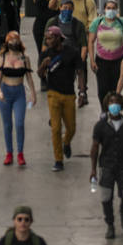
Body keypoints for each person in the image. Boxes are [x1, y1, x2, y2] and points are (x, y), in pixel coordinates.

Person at [90, 92, 123, 240]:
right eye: (111, 102)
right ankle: (110, 225)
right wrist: (93, 169)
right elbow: (94, 148)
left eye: (117, 102)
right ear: (107, 105)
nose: (114, 105)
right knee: (106, 198)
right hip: (106, 166)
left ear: (122, 105)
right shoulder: (100, 126)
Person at [39, 23, 80, 171]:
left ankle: (67, 142)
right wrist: (43, 65)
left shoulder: (72, 52)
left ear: (58, 38)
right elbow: (40, 75)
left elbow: (80, 70)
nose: (47, 41)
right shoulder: (46, 54)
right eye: (46, 38)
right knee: (56, 128)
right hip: (53, 93)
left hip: (69, 94)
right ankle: (58, 159)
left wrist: (82, 91)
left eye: (50, 38)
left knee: (71, 128)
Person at [0, 31, 36, 167]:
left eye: (16, 39)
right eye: (11, 40)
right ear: (7, 42)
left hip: (19, 92)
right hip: (5, 92)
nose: (13, 42)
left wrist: (33, 94)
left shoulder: (24, 57)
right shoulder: (2, 57)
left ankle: (20, 153)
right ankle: (9, 153)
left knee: (19, 123)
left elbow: (29, 77)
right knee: (7, 125)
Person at [88, 0, 123, 104]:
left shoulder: (122, 23)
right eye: (108, 8)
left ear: (116, 10)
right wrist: (92, 60)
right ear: (104, 9)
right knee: (102, 89)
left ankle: (113, 110)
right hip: (101, 61)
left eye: (113, 8)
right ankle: (104, 110)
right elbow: (91, 41)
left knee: (115, 88)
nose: (111, 10)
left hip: (118, 61)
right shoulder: (97, 23)